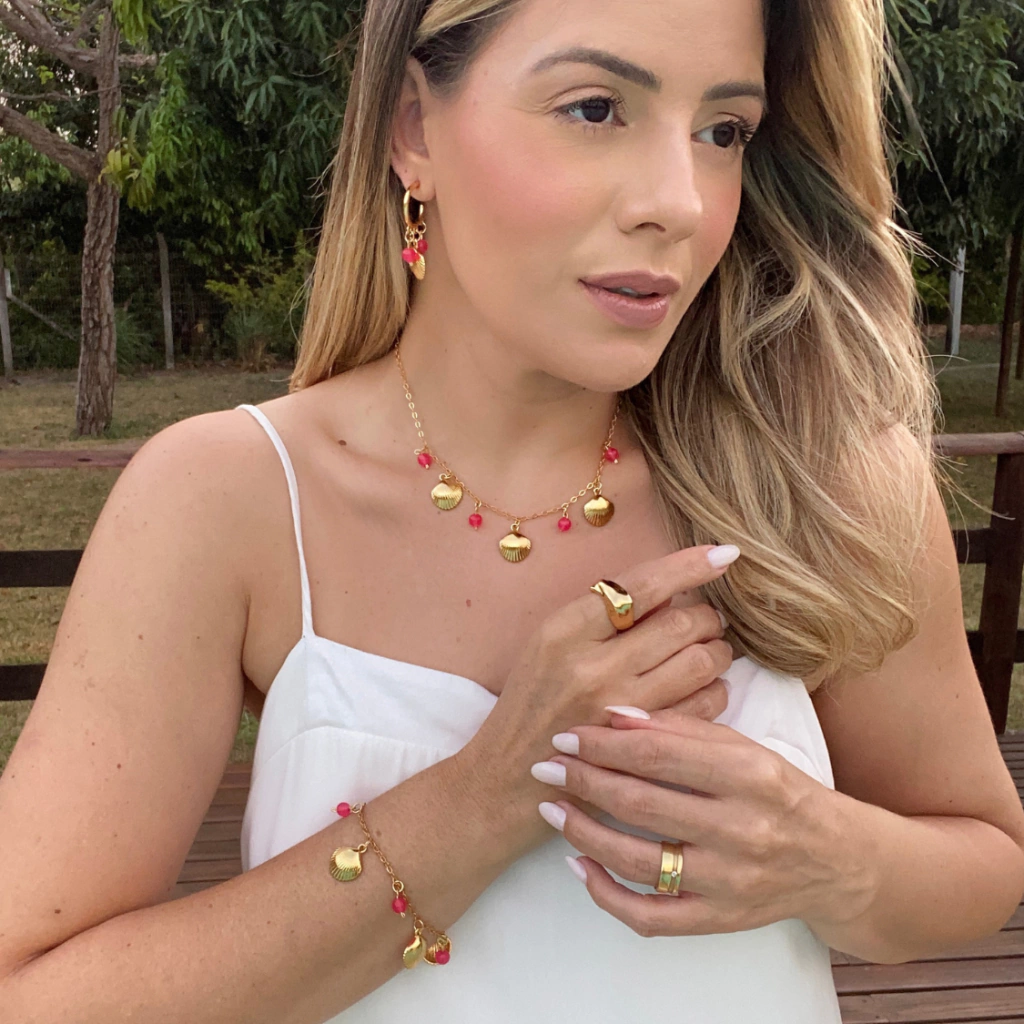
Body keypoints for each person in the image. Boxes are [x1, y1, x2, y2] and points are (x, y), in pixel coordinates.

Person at [3, 0, 1024, 1021]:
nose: (678, 202)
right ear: (413, 128)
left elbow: (983, 863)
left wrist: (828, 857)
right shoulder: (232, 498)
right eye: (595, 108)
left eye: (723, 131)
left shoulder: (822, 480)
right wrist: (486, 795)